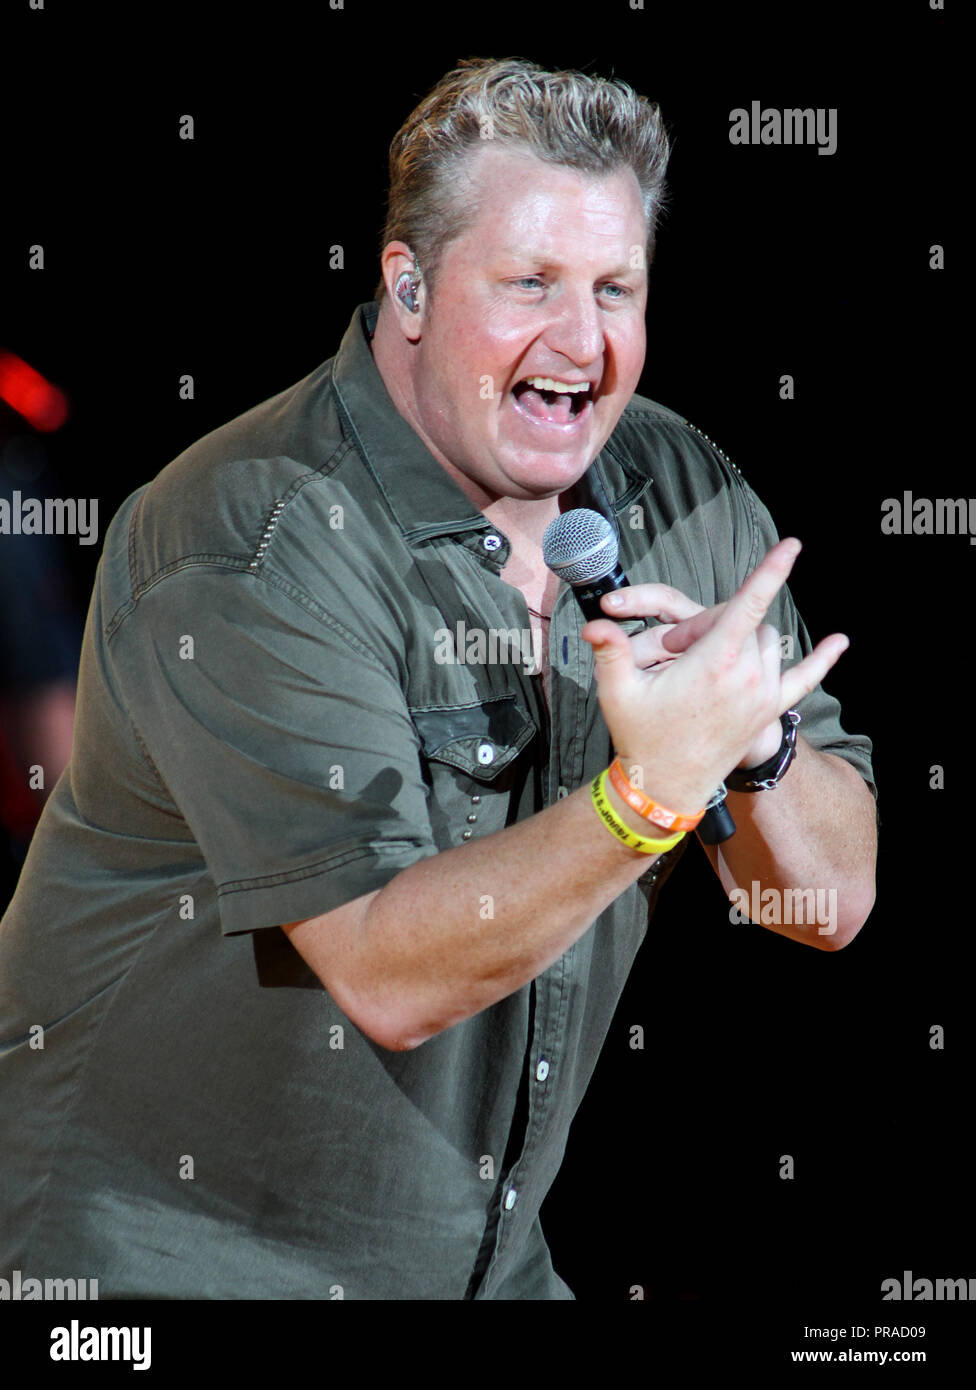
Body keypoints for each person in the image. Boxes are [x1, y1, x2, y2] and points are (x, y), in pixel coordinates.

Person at [0, 57, 877, 1301]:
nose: (582, 341)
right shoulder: (252, 538)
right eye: (529, 284)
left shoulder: (677, 489)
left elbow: (830, 903)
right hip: (155, 1268)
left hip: (475, 1271)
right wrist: (653, 792)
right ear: (407, 288)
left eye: (615, 288)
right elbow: (387, 969)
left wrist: (759, 752)